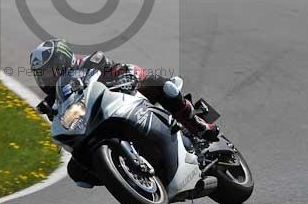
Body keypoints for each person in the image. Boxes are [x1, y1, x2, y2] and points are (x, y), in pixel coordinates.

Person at [30, 39, 218, 140]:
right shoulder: (57, 96)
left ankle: (198, 123)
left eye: (49, 71)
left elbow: (107, 64)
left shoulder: (87, 61)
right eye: (42, 74)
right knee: (76, 172)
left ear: (62, 60)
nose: (46, 78)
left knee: (160, 85)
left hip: (123, 89)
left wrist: (123, 78)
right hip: (100, 118)